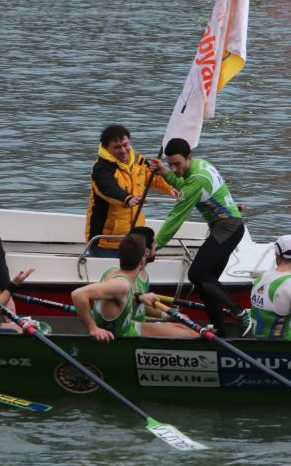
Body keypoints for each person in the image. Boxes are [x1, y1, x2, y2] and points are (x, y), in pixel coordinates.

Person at [148, 137, 250, 335]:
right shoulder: (199, 165)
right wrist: (165, 172)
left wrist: (156, 245)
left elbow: (176, 217)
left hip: (227, 228)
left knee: (197, 273)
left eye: (177, 164)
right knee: (204, 281)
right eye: (171, 164)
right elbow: (182, 181)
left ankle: (240, 313)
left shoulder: (197, 179)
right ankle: (220, 330)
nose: (175, 168)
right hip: (227, 226)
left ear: (189, 157)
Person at [72, 234, 186, 342]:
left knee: (181, 326)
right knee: (191, 335)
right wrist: (93, 329)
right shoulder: (122, 284)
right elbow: (78, 294)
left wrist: (140, 298)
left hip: (129, 328)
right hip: (123, 339)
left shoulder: (111, 272)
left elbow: (118, 301)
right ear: (142, 260)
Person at [85, 124, 176, 258]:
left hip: (133, 239)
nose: (123, 150)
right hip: (105, 243)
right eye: (117, 147)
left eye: (125, 145)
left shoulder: (139, 161)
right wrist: (128, 198)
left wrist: (171, 189)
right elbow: (108, 188)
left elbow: (155, 178)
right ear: (106, 148)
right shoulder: (101, 169)